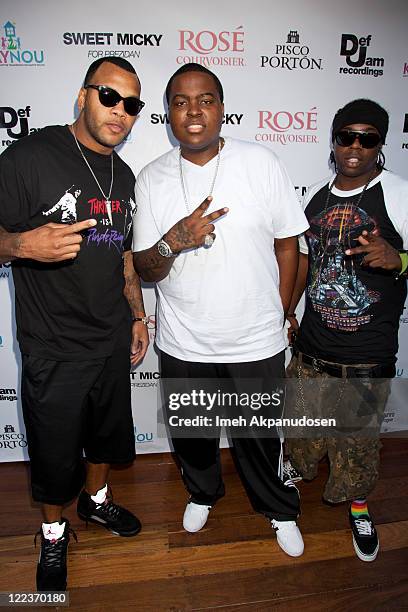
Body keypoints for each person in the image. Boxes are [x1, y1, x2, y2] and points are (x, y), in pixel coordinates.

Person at [132, 63, 309, 558]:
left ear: (222, 109)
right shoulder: (152, 178)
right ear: (167, 113)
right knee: (193, 433)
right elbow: (146, 268)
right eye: (181, 101)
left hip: (255, 337)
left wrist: (281, 309)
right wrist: (175, 240)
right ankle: (204, 492)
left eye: (205, 99)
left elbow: (288, 244)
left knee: (258, 436)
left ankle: (278, 507)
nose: (194, 111)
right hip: (184, 338)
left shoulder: (262, 161)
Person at [0, 57, 149, 591]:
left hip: (110, 335)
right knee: (56, 451)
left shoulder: (125, 174)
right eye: (109, 97)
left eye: (132, 105)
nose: (120, 113)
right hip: (53, 344)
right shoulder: (29, 158)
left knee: (106, 438)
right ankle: (55, 531)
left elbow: (125, 256)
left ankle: (97, 502)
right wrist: (21, 245)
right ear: (82, 96)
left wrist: (135, 313)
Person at [286, 98, 408, 562]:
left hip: (366, 358)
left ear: (380, 144)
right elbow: (301, 260)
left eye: (368, 138)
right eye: (346, 136)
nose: (355, 147)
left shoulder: (397, 194)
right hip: (312, 352)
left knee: (356, 450)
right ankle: (289, 493)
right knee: (299, 435)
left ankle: (359, 508)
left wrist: (400, 259)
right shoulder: (315, 196)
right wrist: (287, 310)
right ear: (333, 141)